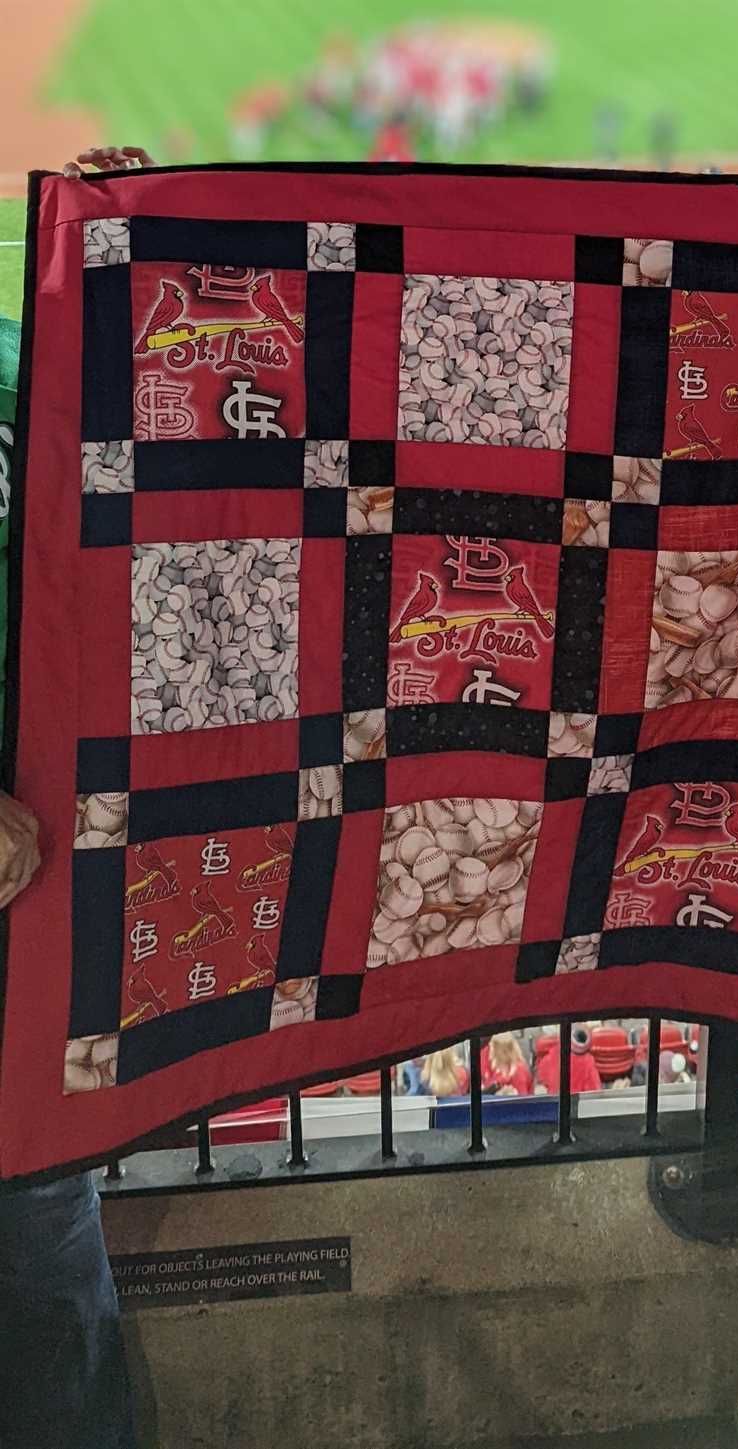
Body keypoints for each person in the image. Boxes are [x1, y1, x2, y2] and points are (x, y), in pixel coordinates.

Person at [0, 146, 155, 1449]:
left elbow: (109, 414)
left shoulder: (13, 356)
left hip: (24, 924)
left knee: (47, 1250)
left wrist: (130, 254)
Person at [478, 1032, 533, 1096]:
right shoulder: (499, 1070)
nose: (489, 1051)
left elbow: (522, 1101)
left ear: (500, 1051)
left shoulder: (518, 1071)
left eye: (492, 1047)